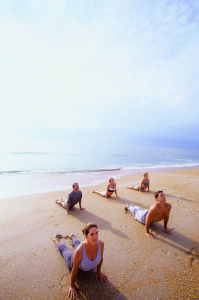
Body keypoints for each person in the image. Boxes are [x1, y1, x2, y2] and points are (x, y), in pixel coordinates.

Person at [54, 222, 107, 299]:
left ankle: (72, 236)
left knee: (77, 244)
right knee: (64, 250)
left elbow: (101, 258)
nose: (95, 236)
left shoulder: (101, 244)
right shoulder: (79, 251)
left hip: (81, 253)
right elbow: (74, 269)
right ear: (86, 236)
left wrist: (98, 272)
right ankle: (56, 241)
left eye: (96, 233)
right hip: (72, 260)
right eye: (92, 234)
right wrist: (72, 285)